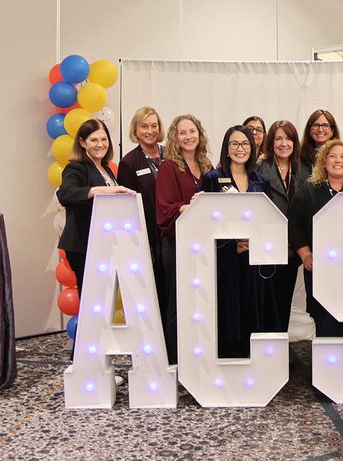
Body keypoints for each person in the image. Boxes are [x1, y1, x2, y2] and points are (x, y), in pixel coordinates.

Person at [288, 140, 343, 358]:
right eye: (333, 156)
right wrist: (305, 253)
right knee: (328, 329)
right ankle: (330, 373)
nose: (338, 161)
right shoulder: (308, 192)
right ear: (323, 161)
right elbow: (295, 226)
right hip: (324, 275)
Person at [202, 126, 279, 357]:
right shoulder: (213, 179)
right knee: (228, 309)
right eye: (234, 144)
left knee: (252, 307)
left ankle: (251, 358)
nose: (240, 149)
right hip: (226, 260)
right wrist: (232, 244)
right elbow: (207, 223)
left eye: (245, 144)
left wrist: (255, 240)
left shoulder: (261, 180)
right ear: (226, 149)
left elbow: (268, 220)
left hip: (253, 258)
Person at [155, 114, 213, 365]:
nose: (188, 136)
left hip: (204, 245)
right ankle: (175, 359)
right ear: (175, 138)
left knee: (202, 303)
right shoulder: (169, 167)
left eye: (192, 131)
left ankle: (199, 354)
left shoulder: (206, 165)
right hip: (177, 244)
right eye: (182, 133)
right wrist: (191, 206)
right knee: (178, 304)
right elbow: (164, 209)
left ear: (199, 134)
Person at [58, 119, 135, 297]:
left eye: (104, 139)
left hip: (105, 242)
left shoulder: (106, 168)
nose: (100, 144)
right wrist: (99, 190)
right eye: (94, 140)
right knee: (91, 299)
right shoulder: (76, 167)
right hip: (84, 245)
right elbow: (65, 194)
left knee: (104, 298)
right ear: (82, 142)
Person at [255, 120, 310, 332]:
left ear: (295, 142)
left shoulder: (303, 170)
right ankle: (267, 345)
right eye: (278, 138)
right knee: (267, 301)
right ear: (271, 142)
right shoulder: (261, 168)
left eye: (288, 138)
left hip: (293, 247)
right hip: (268, 246)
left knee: (285, 299)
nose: (283, 143)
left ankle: (280, 342)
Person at [117, 107, 167, 319]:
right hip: (147, 236)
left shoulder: (170, 154)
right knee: (152, 291)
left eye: (154, 126)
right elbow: (127, 208)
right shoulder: (129, 163)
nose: (150, 131)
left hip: (172, 233)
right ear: (135, 130)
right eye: (144, 126)